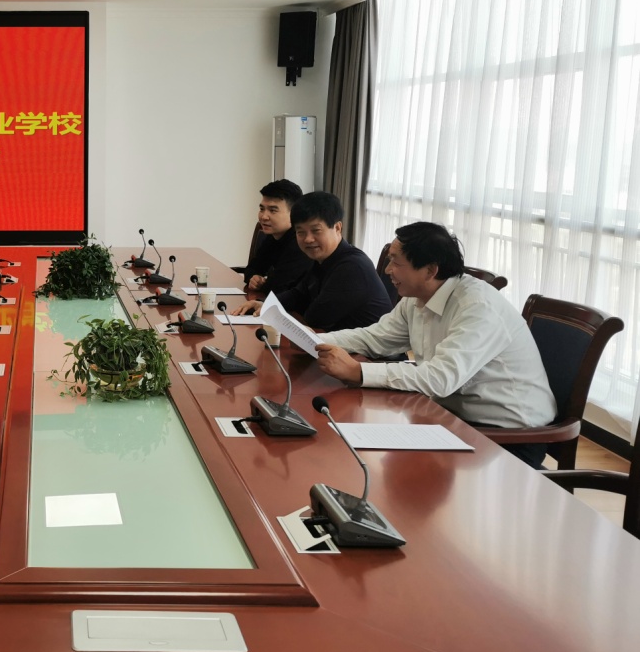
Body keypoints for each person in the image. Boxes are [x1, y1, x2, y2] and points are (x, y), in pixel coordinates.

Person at [314, 222, 557, 468]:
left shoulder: (477, 307)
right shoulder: (417, 296)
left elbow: (440, 378)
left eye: (396, 262)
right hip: (449, 416)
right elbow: (375, 338)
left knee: (385, 467)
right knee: (360, 449)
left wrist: (358, 371)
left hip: (508, 435)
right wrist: (313, 341)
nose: (387, 270)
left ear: (430, 270)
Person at [237, 191, 391, 331]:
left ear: (337, 228)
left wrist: (279, 307)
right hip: (335, 342)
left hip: (366, 352)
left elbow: (315, 318)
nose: (308, 239)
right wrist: (266, 304)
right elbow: (298, 294)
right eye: (300, 232)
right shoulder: (322, 258)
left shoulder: (352, 266)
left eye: (316, 230)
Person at [241, 179, 310, 294]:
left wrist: (264, 284)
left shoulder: (300, 242)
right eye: (262, 209)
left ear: (294, 213)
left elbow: (278, 287)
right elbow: (252, 268)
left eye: (272, 210)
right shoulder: (273, 237)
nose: (264, 217)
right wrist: (253, 278)